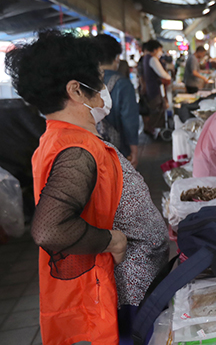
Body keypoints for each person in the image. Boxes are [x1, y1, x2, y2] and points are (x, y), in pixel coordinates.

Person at [4, 30, 168, 345]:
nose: (104, 89)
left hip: (135, 285)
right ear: (76, 90)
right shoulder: (76, 150)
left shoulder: (62, 138)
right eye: (98, 81)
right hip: (125, 294)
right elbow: (49, 229)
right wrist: (113, 241)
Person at [94, 34, 140, 167]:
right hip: (119, 149)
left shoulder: (83, 82)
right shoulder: (122, 84)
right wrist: (134, 150)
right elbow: (130, 119)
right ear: (116, 58)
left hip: (92, 149)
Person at [142, 40, 171, 137]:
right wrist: (168, 77)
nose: (160, 52)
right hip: (155, 90)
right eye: (159, 50)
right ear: (155, 50)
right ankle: (156, 133)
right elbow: (163, 74)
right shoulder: (152, 59)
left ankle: (153, 131)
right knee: (157, 111)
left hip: (150, 89)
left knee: (154, 110)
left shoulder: (145, 58)